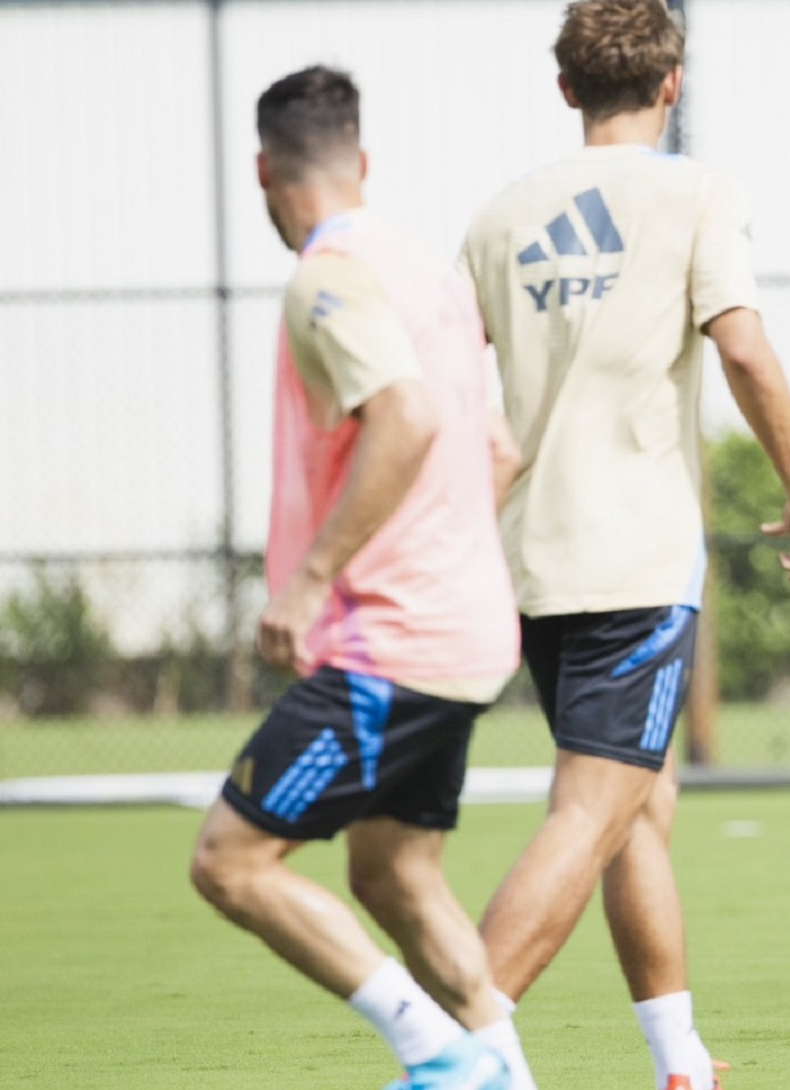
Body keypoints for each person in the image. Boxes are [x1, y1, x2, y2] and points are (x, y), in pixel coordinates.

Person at [457, 1, 790, 1086]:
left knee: (636, 804)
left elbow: (444, 380)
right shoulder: (697, 191)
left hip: (529, 562)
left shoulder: (499, 216)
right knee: (589, 812)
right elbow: (747, 351)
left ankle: (680, 1061)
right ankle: (456, 1050)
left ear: (567, 89)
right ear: (671, 85)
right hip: (634, 562)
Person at [188, 65, 537, 1090]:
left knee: (230, 862)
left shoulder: (328, 275)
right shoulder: (428, 270)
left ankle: (442, 1057)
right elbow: (498, 449)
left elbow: (410, 418)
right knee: (394, 872)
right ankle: (506, 1075)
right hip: (466, 633)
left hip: (389, 640)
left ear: (263, 170)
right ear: (363, 160)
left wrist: (310, 583)